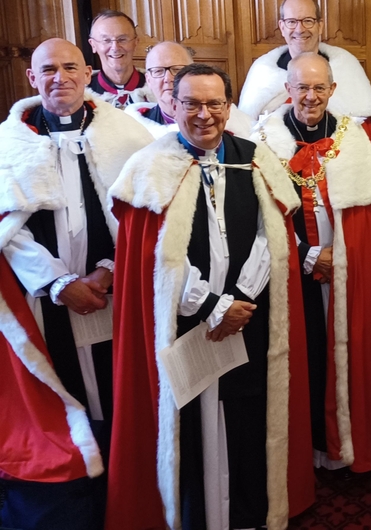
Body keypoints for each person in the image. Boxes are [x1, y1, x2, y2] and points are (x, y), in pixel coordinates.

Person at [106, 64, 314, 530]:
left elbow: (274, 236)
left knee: (246, 414)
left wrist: (239, 299)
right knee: (190, 422)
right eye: (192, 104)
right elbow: (157, 258)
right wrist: (211, 305)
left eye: (215, 103)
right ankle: (196, 516)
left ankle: (244, 513)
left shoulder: (255, 158)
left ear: (228, 106)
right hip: (185, 321)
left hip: (250, 318)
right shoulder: (149, 167)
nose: (204, 115)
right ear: (172, 105)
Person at [0, 38, 152, 529]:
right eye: (47, 70)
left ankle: (123, 489)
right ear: (31, 78)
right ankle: (76, 495)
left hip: (113, 294)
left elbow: (138, 220)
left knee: (117, 390)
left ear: (88, 73)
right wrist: (58, 281)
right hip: (44, 299)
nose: (59, 78)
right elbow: (9, 231)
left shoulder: (126, 135)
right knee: (63, 396)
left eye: (70, 68)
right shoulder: (10, 144)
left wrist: (108, 270)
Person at [253, 52, 371, 473]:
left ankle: (347, 442)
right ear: (288, 90)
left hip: (346, 273)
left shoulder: (354, 139)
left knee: (346, 352)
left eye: (319, 88)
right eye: (302, 87)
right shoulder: (267, 138)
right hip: (292, 271)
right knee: (305, 356)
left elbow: (366, 217)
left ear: (333, 91)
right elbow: (262, 215)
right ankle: (309, 449)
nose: (310, 96)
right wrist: (308, 253)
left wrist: (347, 256)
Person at [238, 0, 371, 142]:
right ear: (282, 27)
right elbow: (246, 135)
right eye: (292, 21)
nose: (300, 29)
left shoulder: (347, 67)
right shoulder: (262, 71)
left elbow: (363, 137)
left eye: (308, 21)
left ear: (320, 26)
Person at [126, 41, 253, 138]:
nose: (168, 78)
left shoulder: (234, 123)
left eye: (176, 70)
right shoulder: (135, 127)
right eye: (158, 71)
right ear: (148, 80)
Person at [87, 9, 154, 107]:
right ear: (93, 45)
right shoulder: (82, 95)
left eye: (122, 39)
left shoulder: (156, 88)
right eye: (106, 40)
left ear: (136, 42)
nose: (115, 47)